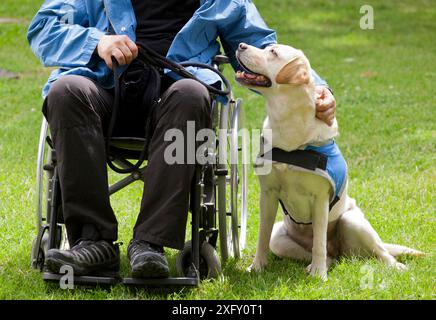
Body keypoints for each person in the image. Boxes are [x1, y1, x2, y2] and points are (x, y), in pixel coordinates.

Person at [27, 0, 336, 278]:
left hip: (176, 97)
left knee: (192, 93)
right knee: (65, 91)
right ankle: (92, 242)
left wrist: (318, 92)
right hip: (107, 90)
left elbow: (264, 49)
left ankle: (150, 244)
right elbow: (43, 28)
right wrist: (97, 42)